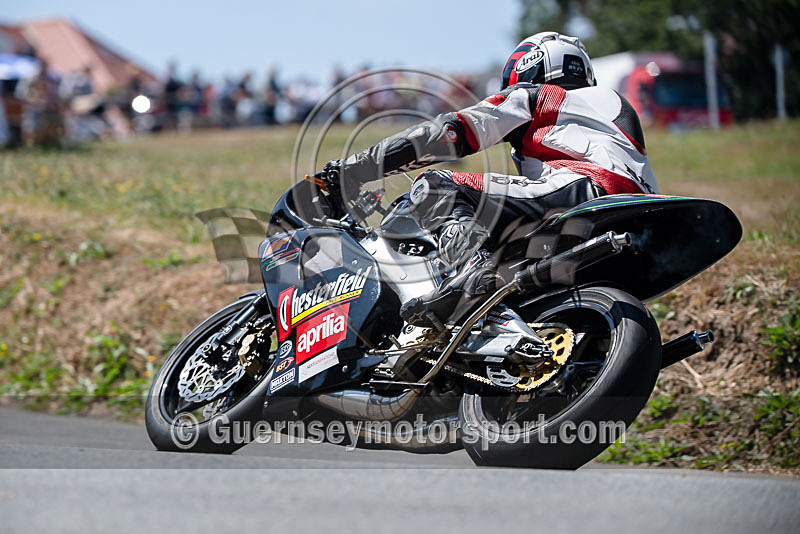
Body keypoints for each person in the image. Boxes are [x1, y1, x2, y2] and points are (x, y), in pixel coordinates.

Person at [320, 32, 658, 328]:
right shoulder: (605, 106)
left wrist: (355, 168)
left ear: (529, 67)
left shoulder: (539, 96)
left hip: (585, 190)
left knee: (436, 184)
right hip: (641, 214)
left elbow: (448, 132)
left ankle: (469, 268)